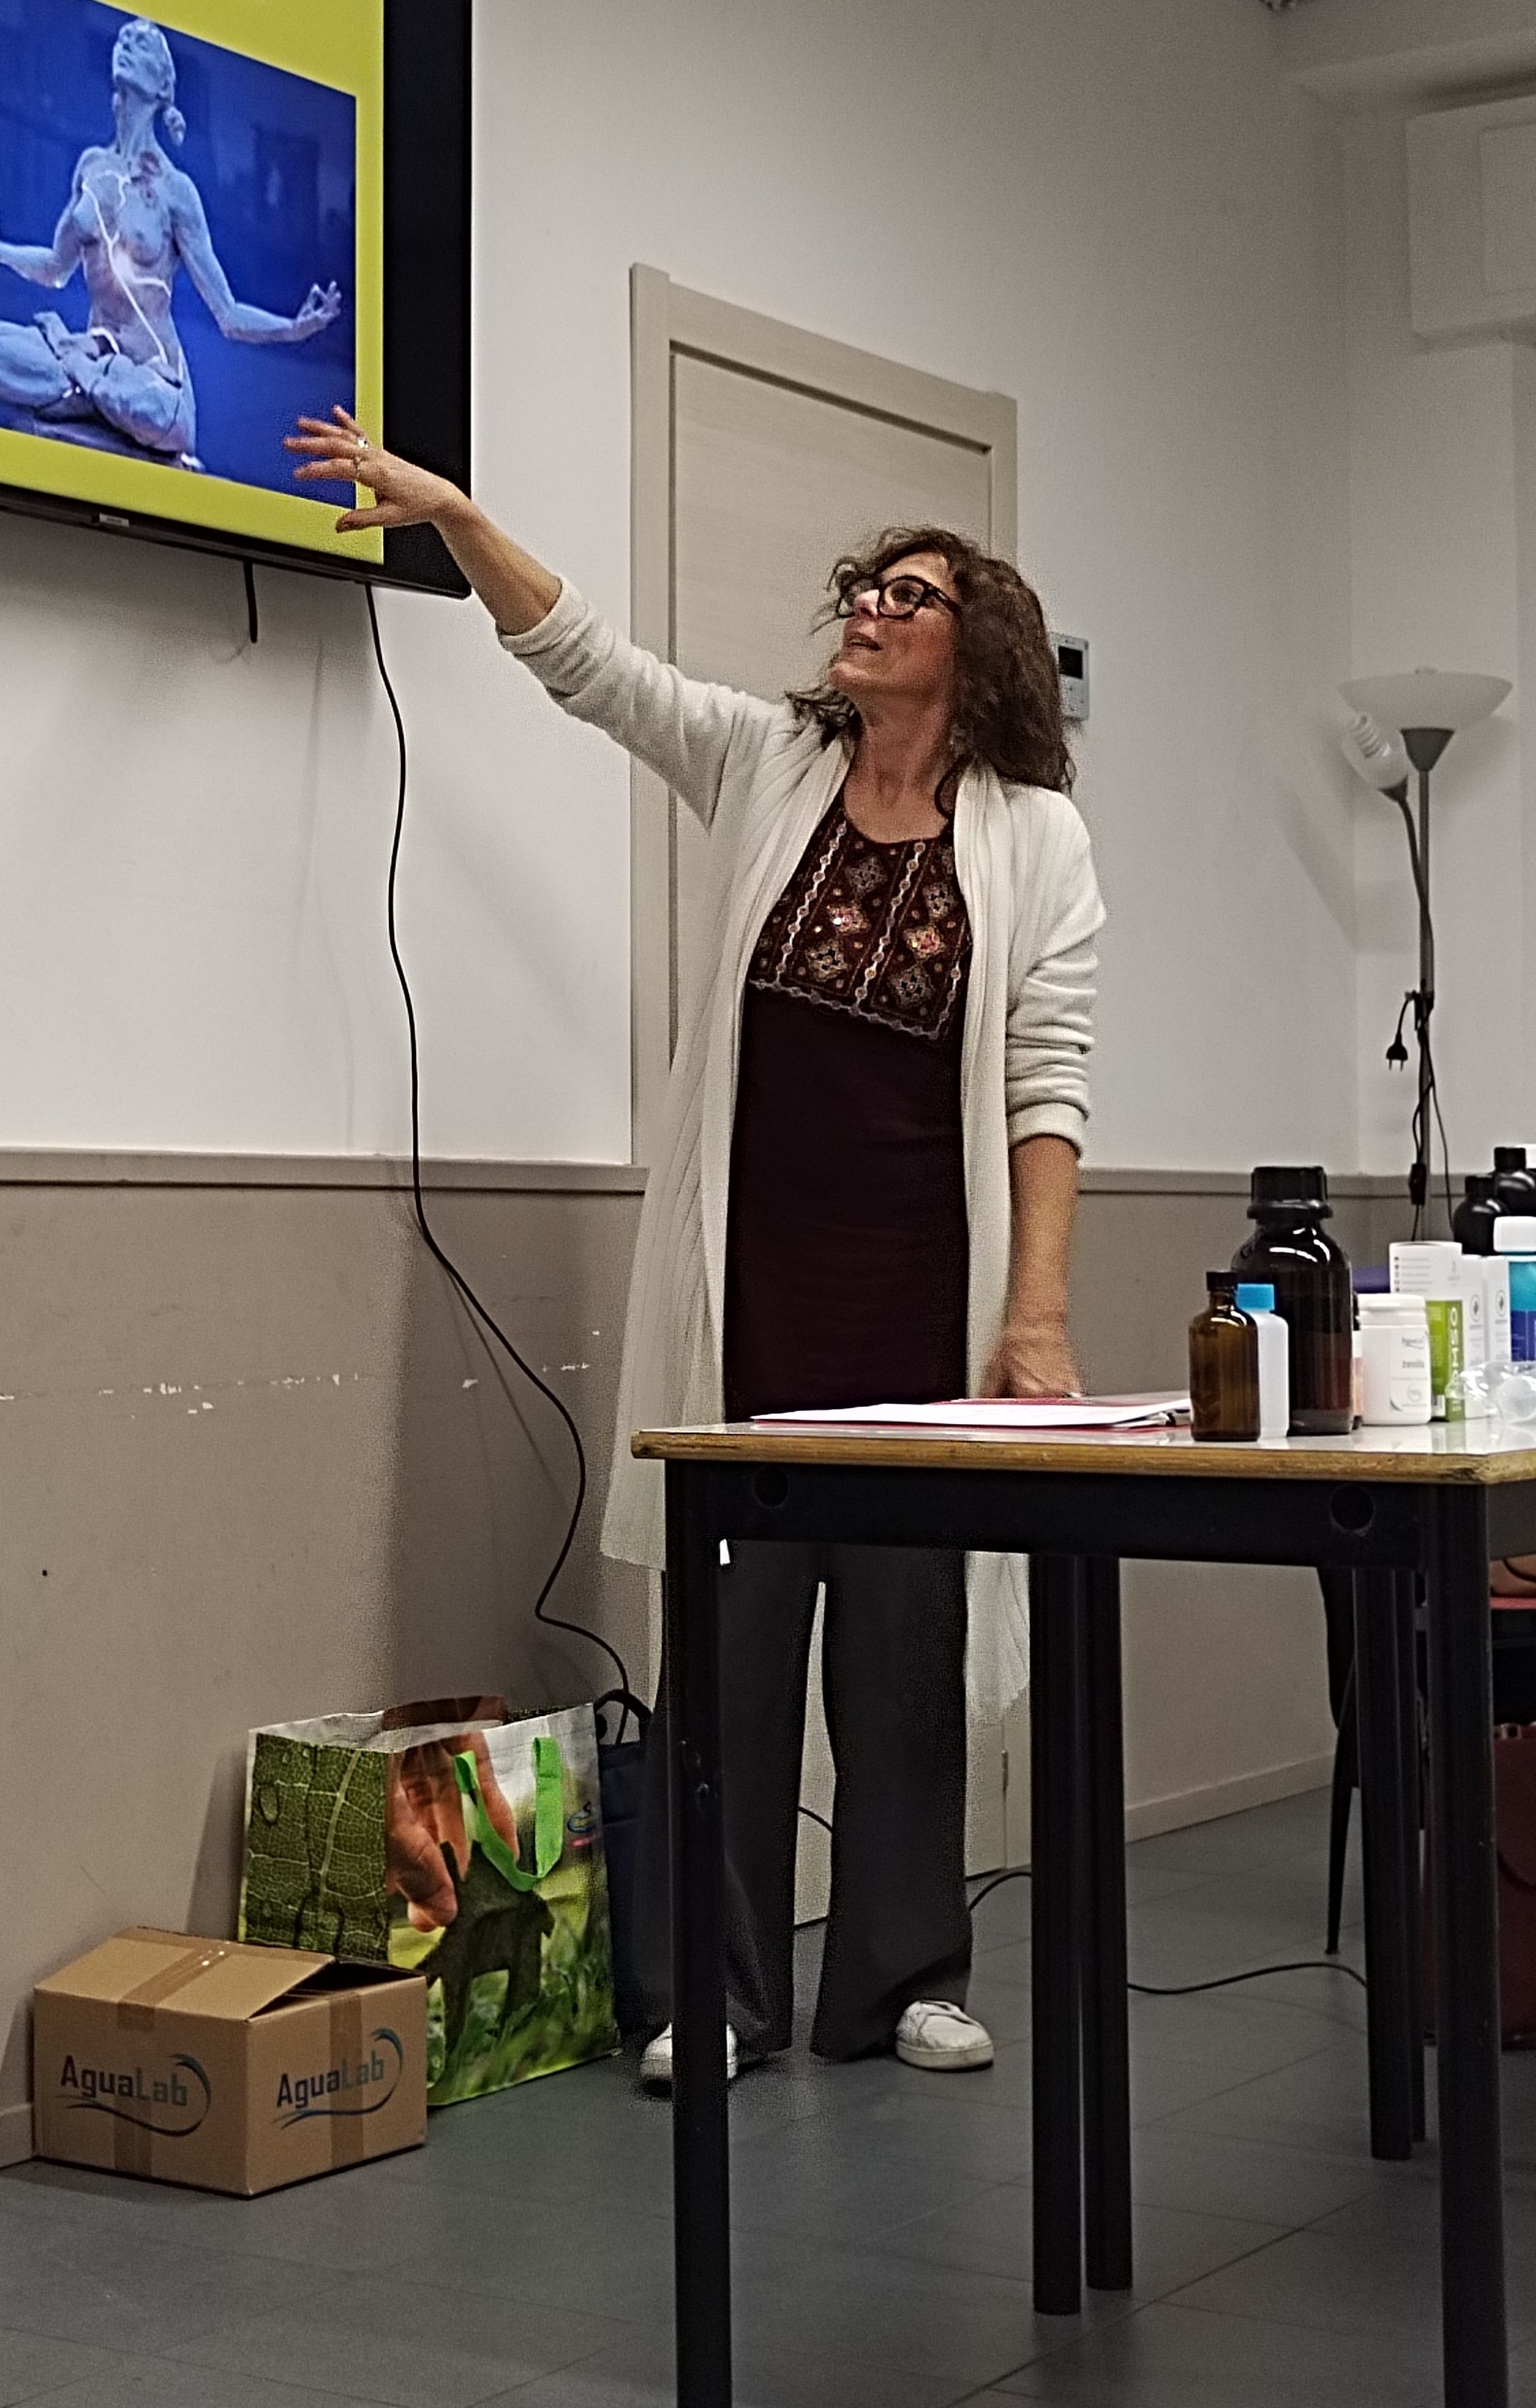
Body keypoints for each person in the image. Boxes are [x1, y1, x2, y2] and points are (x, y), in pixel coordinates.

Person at [287, 406, 1104, 2085]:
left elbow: (1048, 1079)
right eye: (863, 584)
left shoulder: (1034, 833)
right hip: (753, 1301)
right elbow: (590, 663)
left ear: (979, 650)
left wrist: (1032, 1312)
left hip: (921, 1313)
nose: (867, 605)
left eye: (909, 594)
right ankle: (710, 1998)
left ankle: (900, 1978)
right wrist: (455, 514)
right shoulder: (768, 759)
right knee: (726, 1664)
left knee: (905, 1663)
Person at [0, 19, 340, 470]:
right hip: (94, 354)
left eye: (143, 46)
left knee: (148, 408)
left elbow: (228, 315)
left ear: (163, 86)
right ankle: (93, 395)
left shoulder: (176, 191)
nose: (128, 45)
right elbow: (55, 268)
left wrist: (293, 328)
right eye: (125, 40)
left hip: (153, 382)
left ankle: (89, 392)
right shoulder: (91, 167)